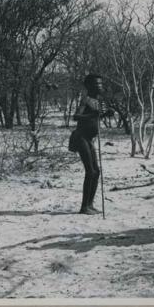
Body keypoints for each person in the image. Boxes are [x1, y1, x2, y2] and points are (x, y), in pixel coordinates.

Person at [69, 74, 112, 215]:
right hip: (81, 137)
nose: (100, 86)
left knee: (96, 171)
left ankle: (90, 204)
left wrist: (106, 114)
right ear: (89, 86)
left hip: (89, 139)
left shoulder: (98, 101)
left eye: (101, 84)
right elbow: (76, 116)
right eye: (96, 84)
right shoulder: (86, 100)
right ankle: (84, 207)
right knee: (90, 171)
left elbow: (98, 115)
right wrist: (92, 115)